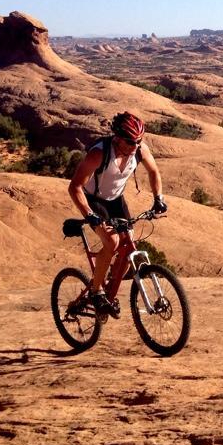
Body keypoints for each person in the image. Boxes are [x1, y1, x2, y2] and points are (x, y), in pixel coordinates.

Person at [68, 111, 168, 317]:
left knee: (129, 245)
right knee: (112, 242)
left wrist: (159, 198)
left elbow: (154, 172)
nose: (135, 146)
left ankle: (110, 288)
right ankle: (96, 291)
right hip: (94, 200)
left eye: (138, 141)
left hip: (116, 200)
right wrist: (89, 215)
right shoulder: (99, 154)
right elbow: (75, 187)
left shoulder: (139, 150)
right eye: (131, 142)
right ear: (117, 138)